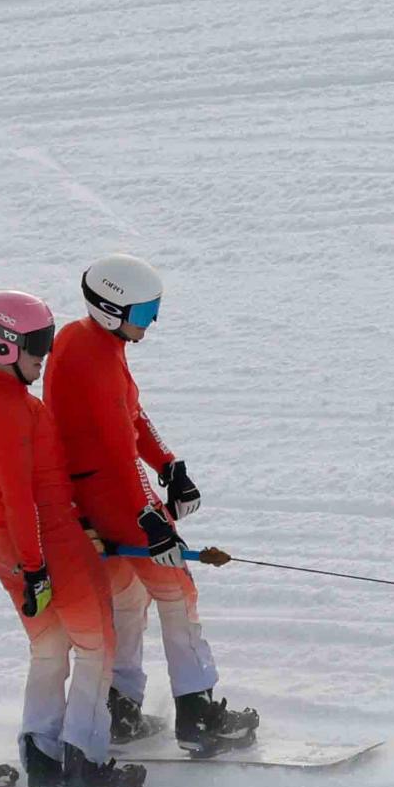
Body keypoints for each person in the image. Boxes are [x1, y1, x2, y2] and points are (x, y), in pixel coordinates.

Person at [50, 253, 253, 755]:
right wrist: (148, 513)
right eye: (142, 314)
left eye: (154, 310)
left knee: (127, 597)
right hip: (113, 492)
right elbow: (118, 445)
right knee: (178, 592)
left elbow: (132, 416)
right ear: (107, 308)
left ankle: (119, 705)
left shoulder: (93, 342)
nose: (151, 323)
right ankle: (198, 711)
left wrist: (169, 465)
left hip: (96, 491)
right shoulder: (92, 356)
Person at [0, 292, 135, 787]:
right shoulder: (8, 406)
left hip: (12, 546)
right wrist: (40, 566)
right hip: (47, 546)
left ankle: (44, 767)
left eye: (49, 342)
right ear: (3, 344)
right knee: (98, 650)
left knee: (51, 651)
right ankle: (86, 766)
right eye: (37, 344)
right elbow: (20, 494)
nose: (46, 354)